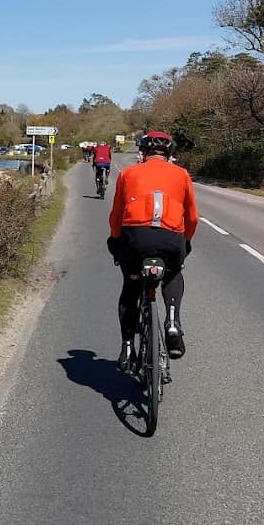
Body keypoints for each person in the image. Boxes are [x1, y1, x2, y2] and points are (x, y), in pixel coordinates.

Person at [107, 130, 199, 370]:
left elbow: (116, 216)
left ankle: (127, 348)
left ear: (143, 152)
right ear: (169, 154)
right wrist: (185, 241)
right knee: (173, 273)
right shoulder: (182, 174)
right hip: (171, 239)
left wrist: (115, 241)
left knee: (131, 287)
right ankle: (171, 320)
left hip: (135, 240)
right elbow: (193, 217)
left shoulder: (127, 173)